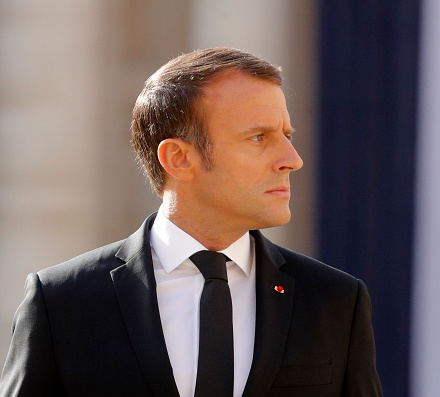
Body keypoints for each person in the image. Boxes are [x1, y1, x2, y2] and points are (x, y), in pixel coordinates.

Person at [0, 47, 383, 397]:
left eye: (286, 134)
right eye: (258, 137)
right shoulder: (62, 301)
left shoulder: (336, 302)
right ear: (179, 159)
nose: (292, 158)